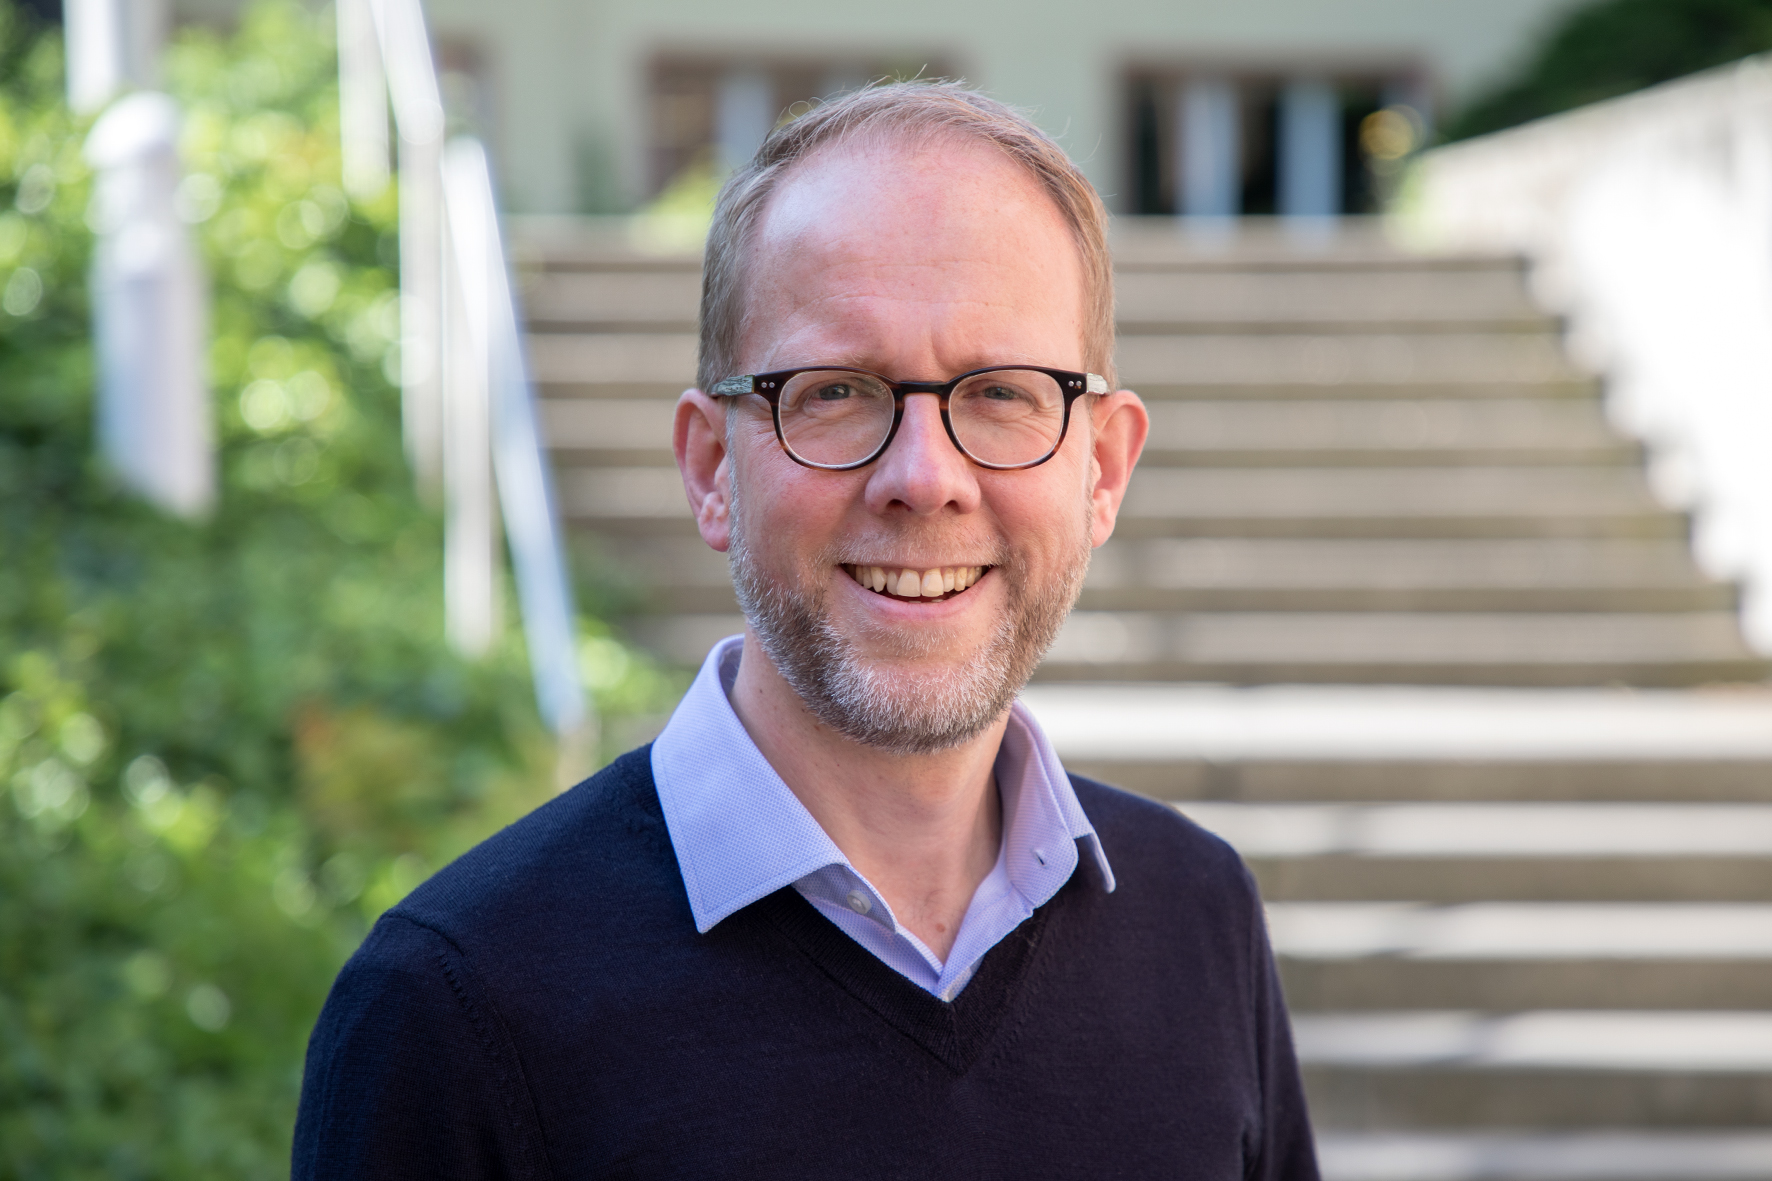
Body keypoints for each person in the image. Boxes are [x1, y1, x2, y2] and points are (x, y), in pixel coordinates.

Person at [293, 81, 1319, 1180]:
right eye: (834, 391)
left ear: (1102, 470)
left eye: (1001, 393)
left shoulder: (1197, 915)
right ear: (710, 469)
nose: (924, 477)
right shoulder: (453, 1009)